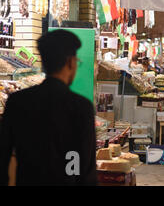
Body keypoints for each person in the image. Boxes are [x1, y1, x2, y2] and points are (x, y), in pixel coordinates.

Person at [0, 30, 97, 185]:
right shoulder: (80, 107)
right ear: (71, 62)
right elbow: (84, 165)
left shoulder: (17, 101)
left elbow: (3, 156)